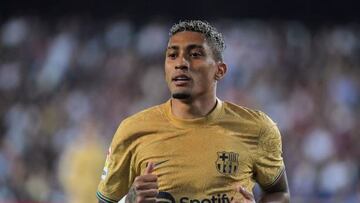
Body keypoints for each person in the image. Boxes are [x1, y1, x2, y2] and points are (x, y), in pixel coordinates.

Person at [96, 20, 290, 203]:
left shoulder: (257, 128)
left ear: (220, 70)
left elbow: (280, 192)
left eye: (195, 54)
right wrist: (129, 199)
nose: (181, 63)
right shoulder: (132, 130)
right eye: (172, 55)